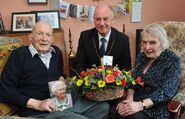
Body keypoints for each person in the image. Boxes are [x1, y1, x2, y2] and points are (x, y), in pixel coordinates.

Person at [0, 21, 109, 119]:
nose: (44, 38)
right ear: (31, 37)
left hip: (61, 103)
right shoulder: (19, 55)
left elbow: (60, 73)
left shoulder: (56, 52)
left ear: (52, 39)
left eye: (48, 35)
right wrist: (38, 104)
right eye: (39, 33)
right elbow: (5, 91)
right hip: (36, 111)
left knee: (103, 108)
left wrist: (61, 81)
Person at [114, 24, 180, 119]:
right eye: (144, 42)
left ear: (162, 43)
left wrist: (140, 105)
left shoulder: (172, 60)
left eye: (152, 43)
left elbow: (166, 92)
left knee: (132, 117)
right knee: (118, 110)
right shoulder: (141, 57)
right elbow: (132, 81)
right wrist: (129, 101)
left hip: (156, 107)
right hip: (136, 101)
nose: (147, 47)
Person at [75, 4, 131, 73]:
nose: (102, 23)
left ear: (112, 20)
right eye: (98, 19)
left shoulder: (123, 40)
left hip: (115, 83)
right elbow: (79, 65)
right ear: (94, 20)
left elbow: (126, 69)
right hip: (89, 81)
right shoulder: (85, 37)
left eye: (105, 19)